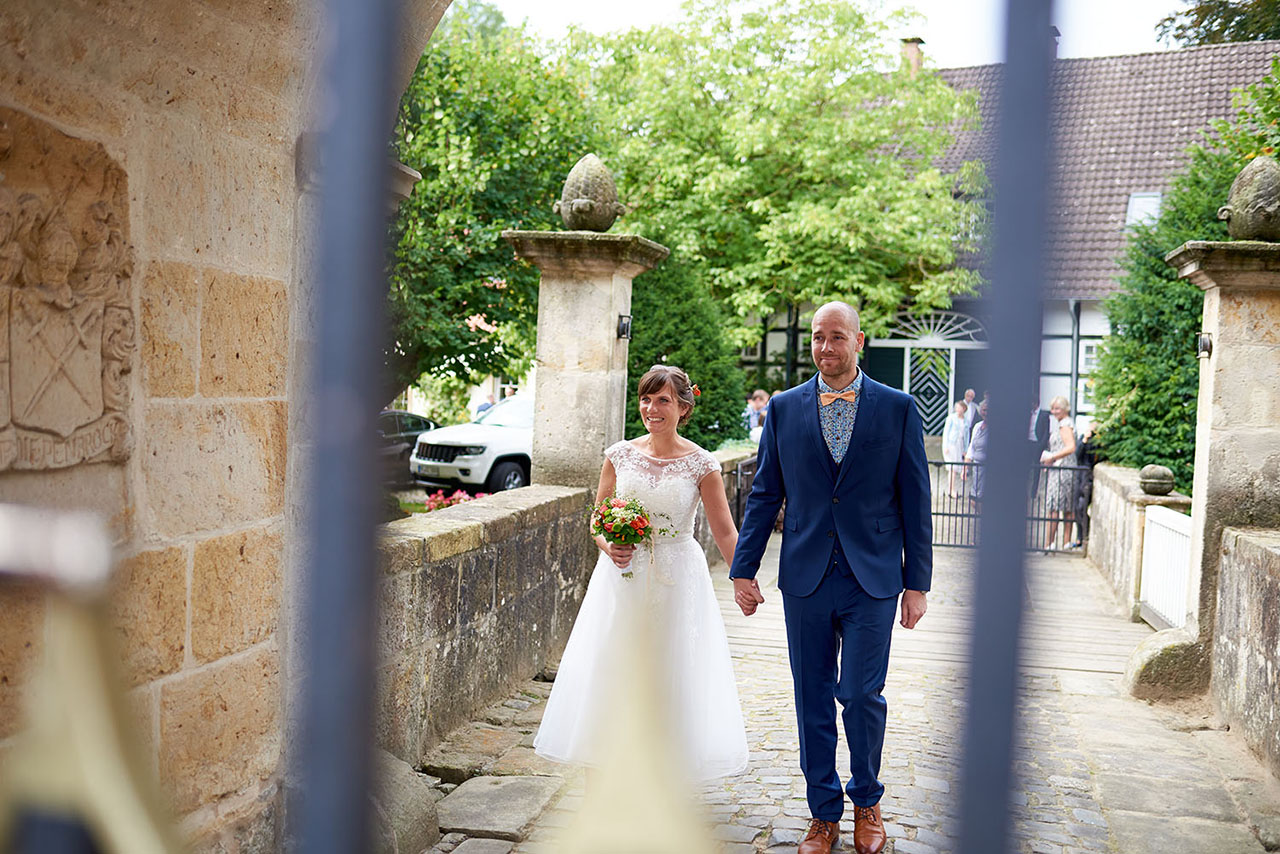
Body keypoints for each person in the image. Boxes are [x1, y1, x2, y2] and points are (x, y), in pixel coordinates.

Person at [729, 302, 931, 854]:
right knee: (811, 696)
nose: (825, 347)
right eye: (818, 338)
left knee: (862, 694)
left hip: (874, 577)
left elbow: (916, 497)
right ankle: (824, 814)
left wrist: (918, 583)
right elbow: (766, 492)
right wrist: (743, 569)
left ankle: (867, 802)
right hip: (806, 576)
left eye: (836, 337)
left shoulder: (897, 408)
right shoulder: (785, 408)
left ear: (858, 341)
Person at [533, 364, 749, 780]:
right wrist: (609, 544)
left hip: (677, 577)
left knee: (672, 665)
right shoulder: (619, 455)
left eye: (663, 400)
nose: (652, 408)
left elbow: (724, 531)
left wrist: (745, 578)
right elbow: (598, 518)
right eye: (646, 399)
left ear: (683, 407)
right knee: (615, 661)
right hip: (622, 577)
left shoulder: (702, 465)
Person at [1040, 395, 1077, 550]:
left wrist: (1052, 457)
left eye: (1057, 409)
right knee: (1067, 506)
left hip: (1062, 469)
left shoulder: (1065, 425)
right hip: (1067, 468)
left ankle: (1050, 543)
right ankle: (1066, 542)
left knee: (1053, 506)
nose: (1054, 412)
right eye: (1053, 408)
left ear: (1065, 409)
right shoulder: (1066, 423)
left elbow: (1070, 447)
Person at [965, 398, 989, 511]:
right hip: (976, 469)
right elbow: (971, 447)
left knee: (983, 499)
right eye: (984, 410)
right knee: (974, 500)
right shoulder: (977, 426)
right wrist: (966, 466)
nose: (986, 413)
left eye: (989, 410)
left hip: (987, 469)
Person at [941, 400, 968, 497]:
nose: (957, 409)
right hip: (952, 444)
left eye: (959, 407)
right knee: (952, 468)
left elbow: (966, 436)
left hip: (959, 445)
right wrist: (946, 446)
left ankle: (952, 489)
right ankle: (951, 490)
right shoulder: (951, 418)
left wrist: (965, 449)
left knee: (956, 468)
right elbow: (946, 433)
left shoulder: (965, 420)